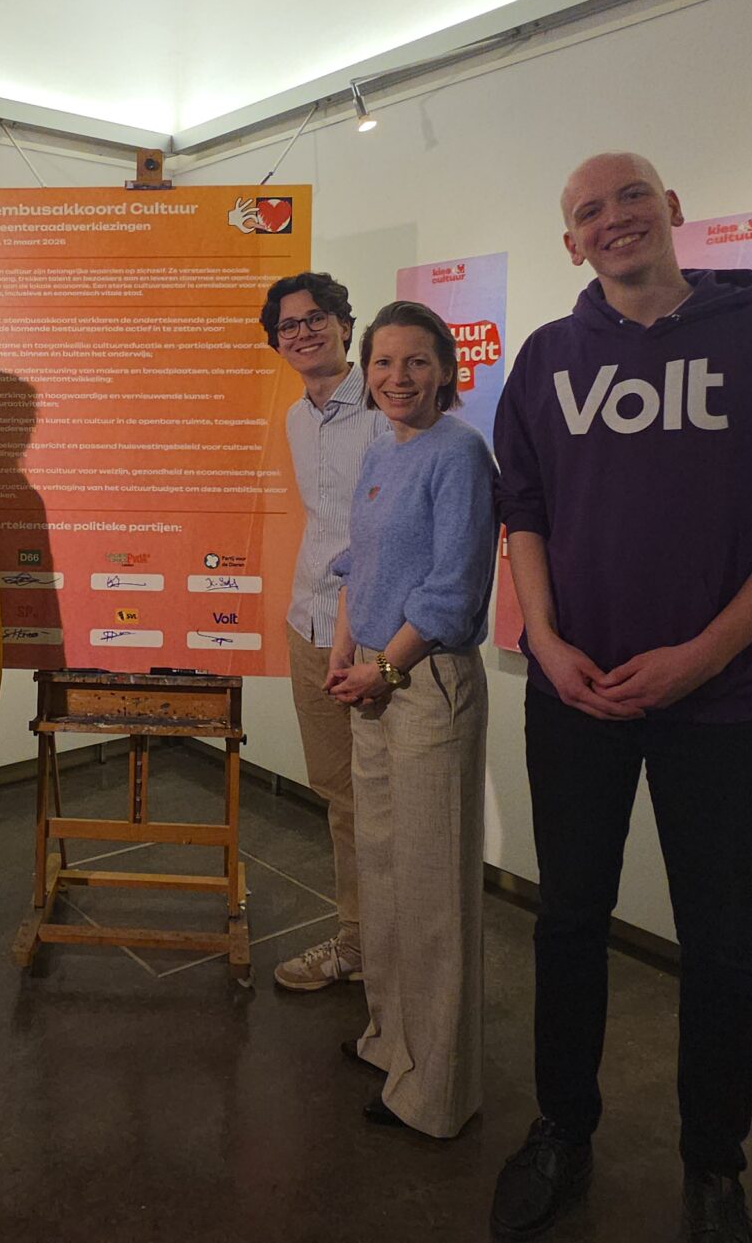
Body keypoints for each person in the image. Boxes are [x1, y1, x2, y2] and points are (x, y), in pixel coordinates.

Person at [486, 153, 752, 1243]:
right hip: (575, 695)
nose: (614, 219)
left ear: (674, 208)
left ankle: (713, 1169)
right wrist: (545, 640)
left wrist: (700, 656)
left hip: (722, 704)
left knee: (720, 947)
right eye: (588, 211)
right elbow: (523, 508)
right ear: (570, 244)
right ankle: (562, 1128)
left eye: (632, 196)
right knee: (567, 920)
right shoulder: (547, 357)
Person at [325, 299, 498, 1141]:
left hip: (424, 681)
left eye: (416, 361)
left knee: (434, 891)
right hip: (372, 674)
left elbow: (452, 588)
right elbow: (361, 559)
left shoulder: (459, 453)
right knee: (386, 872)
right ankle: (392, 1040)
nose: (398, 377)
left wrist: (384, 667)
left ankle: (436, 1089)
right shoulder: (382, 446)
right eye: (384, 362)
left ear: (446, 370)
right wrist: (345, 649)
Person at [263, 272, 386, 992]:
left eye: (317, 318)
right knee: (340, 793)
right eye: (289, 325)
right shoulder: (296, 418)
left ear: (345, 323)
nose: (303, 332)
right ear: (277, 342)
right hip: (308, 621)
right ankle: (360, 940)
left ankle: (391, 945)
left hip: (372, 630)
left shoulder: (382, 406)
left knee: (384, 795)